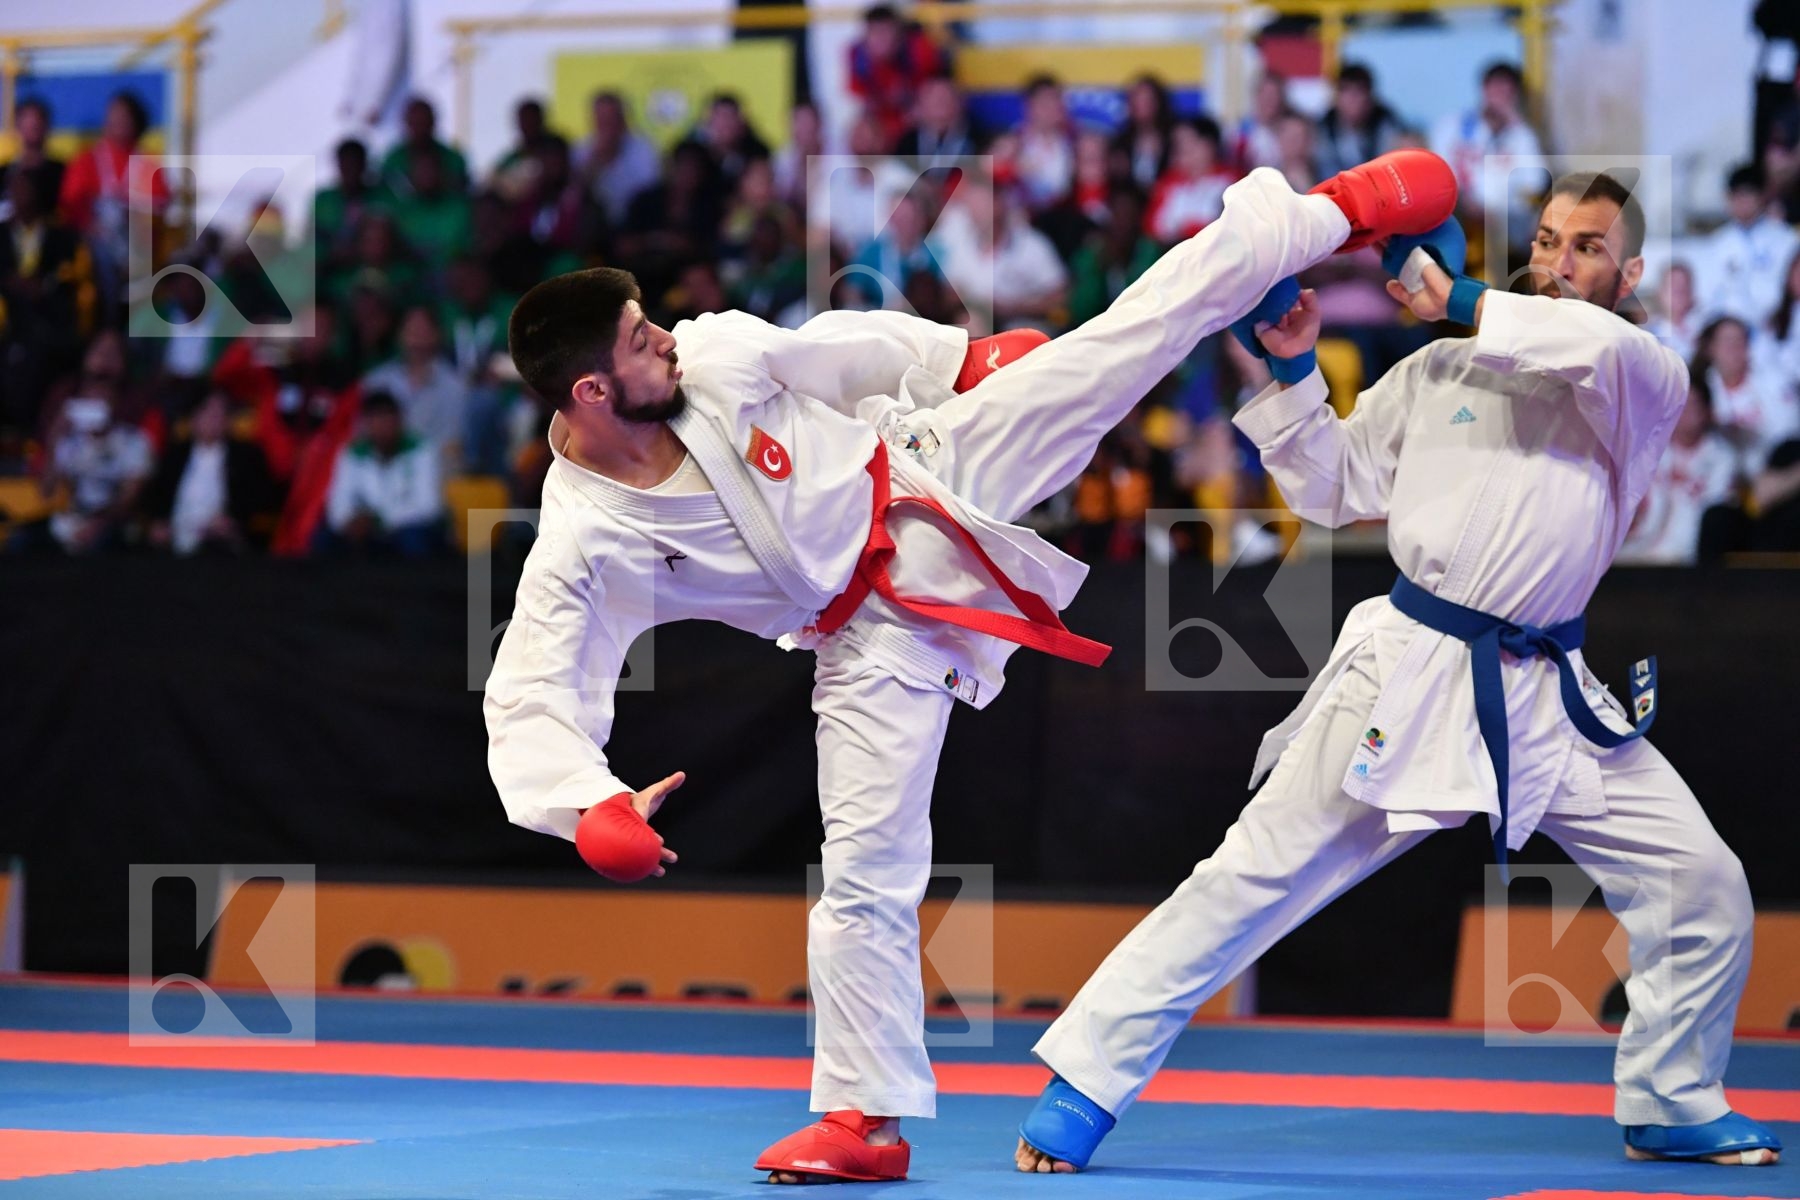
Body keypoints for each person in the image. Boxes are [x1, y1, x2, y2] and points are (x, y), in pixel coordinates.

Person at [482, 149, 1459, 1184]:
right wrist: (586, 804)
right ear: (591, 391)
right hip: (866, 636)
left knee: (1130, 335)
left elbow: (840, 353)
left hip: (931, 466)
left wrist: (959, 361)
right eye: (641, 339)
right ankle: (864, 1121)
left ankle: (1325, 213)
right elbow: (534, 680)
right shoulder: (584, 536)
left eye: (654, 321)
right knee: (864, 869)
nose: (666, 337)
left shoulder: (715, 354)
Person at [1014, 171, 1783, 1174]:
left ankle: (1673, 1098)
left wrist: (1456, 299)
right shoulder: (1440, 374)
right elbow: (1333, 489)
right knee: (1252, 875)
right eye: (1548, 239)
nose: (1559, 262)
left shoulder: (1640, 372)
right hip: (1412, 668)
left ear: (1629, 270)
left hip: (1548, 688)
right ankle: (1082, 1084)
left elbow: (1583, 342)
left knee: (1701, 882)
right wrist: (1293, 373)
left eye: (1587, 247)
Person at [142, 389, 276, 555]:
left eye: (221, 412)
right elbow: (155, 499)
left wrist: (232, 523)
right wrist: (158, 524)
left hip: (222, 544)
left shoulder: (246, 456)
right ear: (193, 417)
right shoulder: (175, 456)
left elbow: (260, 500)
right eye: (207, 411)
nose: (214, 418)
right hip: (173, 541)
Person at [319, 389, 444, 556]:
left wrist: (379, 520)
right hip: (363, 529)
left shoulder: (420, 449)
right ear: (366, 424)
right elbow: (338, 500)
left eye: (388, 420)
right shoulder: (352, 453)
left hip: (406, 528)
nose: (383, 427)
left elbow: (429, 505)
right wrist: (349, 521)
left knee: (413, 539)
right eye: (376, 421)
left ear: (399, 421)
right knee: (323, 538)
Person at [1697, 163, 1799, 328]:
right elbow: (1706, 296)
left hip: (1777, 330)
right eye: (1736, 196)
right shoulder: (1717, 244)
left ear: (1763, 196)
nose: (1741, 202)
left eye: (1747, 195)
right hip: (1728, 333)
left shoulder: (1786, 240)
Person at [1314, 63, 1405, 177]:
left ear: (1370, 97)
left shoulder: (1388, 126)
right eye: (1346, 91)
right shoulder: (1320, 130)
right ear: (1336, 97)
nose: (1353, 99)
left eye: (1359, 92)